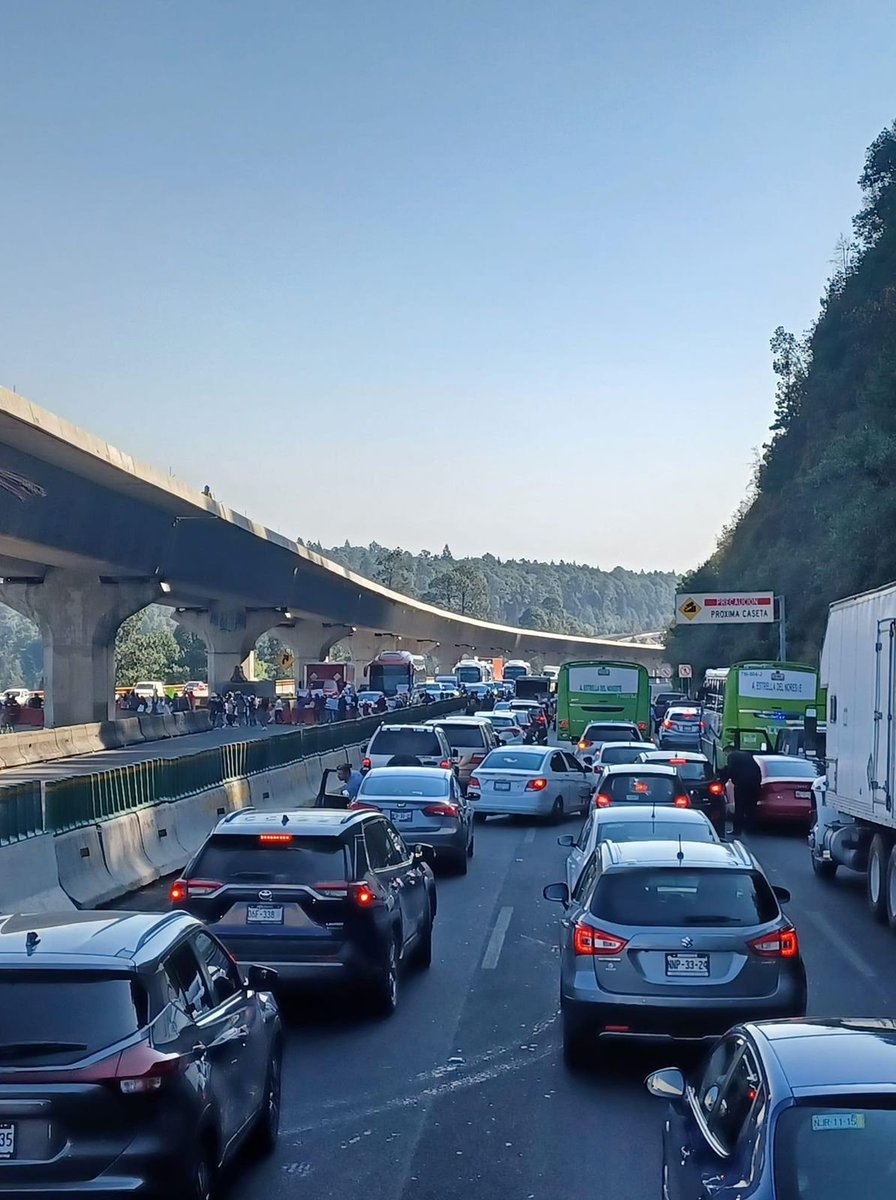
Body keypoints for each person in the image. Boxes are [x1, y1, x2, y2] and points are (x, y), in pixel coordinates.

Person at [718, 744, 762, 837]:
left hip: (742, 785)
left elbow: (731, 770)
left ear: (728, 751)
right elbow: (757, 769)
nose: (726, 756)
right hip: (754, 784)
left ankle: (737, 830)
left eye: (725, 754)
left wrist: (722, 782)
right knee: (751, 808)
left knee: (739, 808)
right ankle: (751, 830)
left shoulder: (732, 756)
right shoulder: (747, 755)